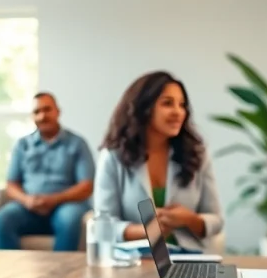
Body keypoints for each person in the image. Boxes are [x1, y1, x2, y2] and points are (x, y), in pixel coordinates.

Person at [93, 71, 224, 251]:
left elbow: (217, 220)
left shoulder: (197, 154)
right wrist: (145, 231)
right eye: (167, 103)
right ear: (143, 108)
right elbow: (102, 226)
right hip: (134, 258)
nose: (178, 112)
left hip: (188, 257)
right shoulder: (113, 156)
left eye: (182, 105)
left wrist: (189, 219)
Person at [0, 93, 94, 252]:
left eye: (47, 110)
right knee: (1, 219)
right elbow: (11, 185)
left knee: (69, 219)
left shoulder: (77, 144)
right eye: (37, 112)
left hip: (65, 206)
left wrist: (54, 199)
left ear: (58, 112)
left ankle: (60, 275)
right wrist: (27, 200)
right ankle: (13, 272)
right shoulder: (22, 145)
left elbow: (86, 186)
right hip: (28, 208)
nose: (42, 116)